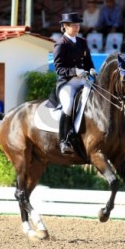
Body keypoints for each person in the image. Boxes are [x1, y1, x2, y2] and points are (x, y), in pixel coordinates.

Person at [53, 12, 95, 154]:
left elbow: (88, 62)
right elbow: (59, 69)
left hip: (84, 80)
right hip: (68, 83)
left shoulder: (82, 42)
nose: (77, 28)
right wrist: (75, 71)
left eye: (78, 25)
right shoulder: (60, 44)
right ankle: (63, 140)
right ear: (65, 26)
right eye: (74, 25)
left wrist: (92, 70)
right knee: (69, 105)